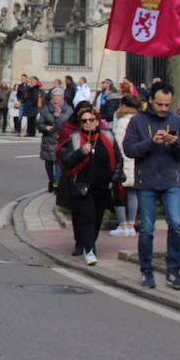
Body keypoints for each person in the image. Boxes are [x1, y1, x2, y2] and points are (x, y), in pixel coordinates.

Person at [122, 81, 180, 290]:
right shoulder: (138, 121)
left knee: (176, 225)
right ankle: (146, 270)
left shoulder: (177, 121)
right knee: (146, 229)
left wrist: (175, 142)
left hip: (171, 180)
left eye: (167, 105)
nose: (163, 109)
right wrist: (152, 142)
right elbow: (129, 149)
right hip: (147, 181)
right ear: (150, 100)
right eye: (159, 104)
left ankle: (173, 271)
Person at [57, 105, 124, 265]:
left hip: (103, 186)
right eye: (84, 121)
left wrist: (113, 180)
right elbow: (67, 162)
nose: (88, 123)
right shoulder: (75, 138)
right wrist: (81, 152)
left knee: (96, 220)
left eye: (91, 120)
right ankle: (90, 250)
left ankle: (88, 244)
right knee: (87, 217)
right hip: (83, 186)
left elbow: (118, 159)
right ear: (80, 123)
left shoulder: (107, 136)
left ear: (97, 121)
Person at [110, 94, 142, 237]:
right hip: (136, 161)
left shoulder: (122, 121)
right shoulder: (140, 120)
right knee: (133, 193)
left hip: (123, 161)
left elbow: (117, 144)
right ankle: (131, 223)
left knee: (118, 193)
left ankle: (123, 224)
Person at [37, 87, 71, 194]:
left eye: (59, 96)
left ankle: (57, 183)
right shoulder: (46, 109)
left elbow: (71, 124)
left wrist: (64, 131)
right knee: (49, 162)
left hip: (61, 139)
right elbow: (39, 124)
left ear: (62, 97)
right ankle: (51, 180)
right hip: (48, 139)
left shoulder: (68, 110)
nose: (56, 98)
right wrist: (45, 128)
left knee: (58, 162)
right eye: (55, 96)